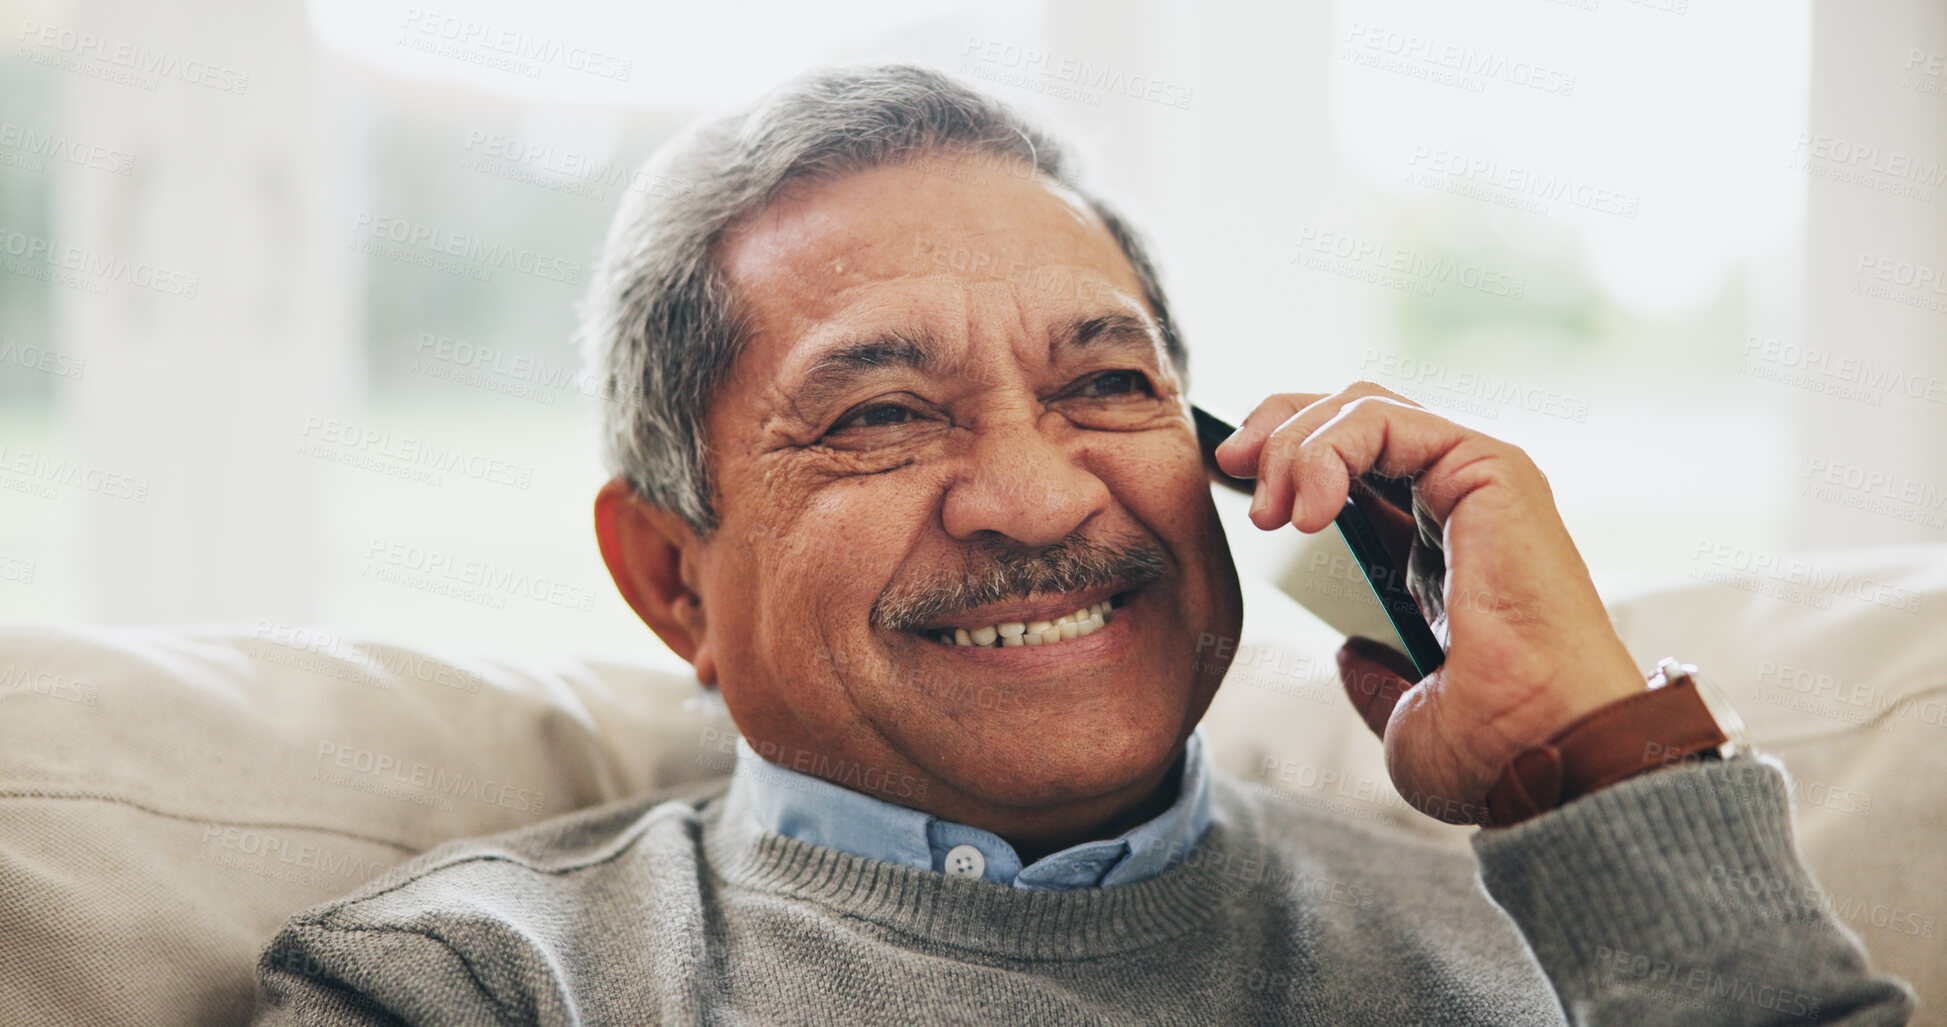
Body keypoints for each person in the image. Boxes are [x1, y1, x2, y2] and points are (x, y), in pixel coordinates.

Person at [250, 64, 1915, 1025]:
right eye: (882, 415)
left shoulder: (1560, 949)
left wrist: (1593, 769)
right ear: (672, 575)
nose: (1040, 501)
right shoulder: (463, 992)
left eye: (1106, 385)